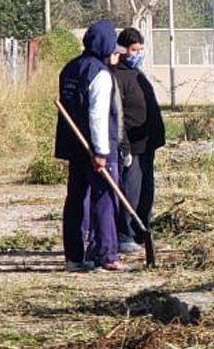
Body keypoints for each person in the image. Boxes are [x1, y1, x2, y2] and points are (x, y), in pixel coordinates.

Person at [54, 21, 126, 272]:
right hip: (94, 149)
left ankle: (73, 257)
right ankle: (106, 255)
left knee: (75, 199)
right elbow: (97, 116)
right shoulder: (100, 74)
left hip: (73, 147)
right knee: (104, 199)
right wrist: (101, 153)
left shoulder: (70, 68)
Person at [112, 27, 166, 255]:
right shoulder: (115, 76)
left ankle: (143, 231)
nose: (139, 54)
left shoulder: (138, 74)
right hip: (130, 145)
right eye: (135, 50)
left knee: (146, 190)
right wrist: (123, 146)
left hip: (147, 144)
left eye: (141, 49)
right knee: (130, 190)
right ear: (123, 50)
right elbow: (117, 115)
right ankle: (125, 234)